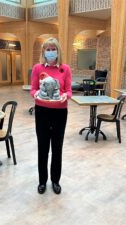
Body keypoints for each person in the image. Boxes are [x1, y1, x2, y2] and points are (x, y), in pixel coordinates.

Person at [30, 37, 72, 194]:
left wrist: (65, 96)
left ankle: (55, 180)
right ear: (43, 52)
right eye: (47, 49)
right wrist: (36, 95)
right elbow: (33, 89)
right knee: (43, 147)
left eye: (53, 49)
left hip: (60, 112)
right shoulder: (37, 68)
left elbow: (68, 90)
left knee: (57, 147)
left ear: (58, 51)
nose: (50, 52)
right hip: (42, 112)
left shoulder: (65, 69)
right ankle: (42, 181)